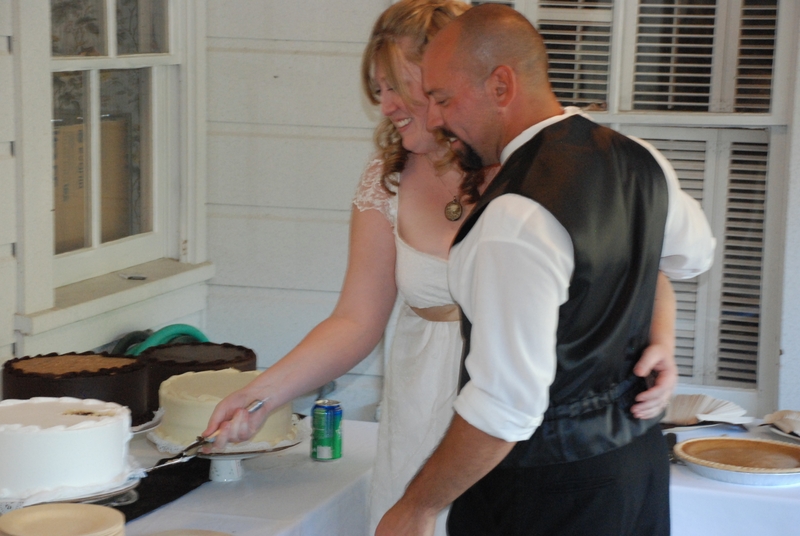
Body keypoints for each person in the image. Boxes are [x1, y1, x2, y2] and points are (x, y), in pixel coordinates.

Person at [204, 2, 679, 535]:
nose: (386, 106)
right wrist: (260, 393)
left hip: (528, 430)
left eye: (400, 88)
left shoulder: (544, 169)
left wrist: (660, 338)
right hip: (420, 414)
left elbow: (648, 258)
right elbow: (355, 321)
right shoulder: (386, 181)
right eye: (376, 90)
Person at [376, 4, 716, 536]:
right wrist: (659, 335)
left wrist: (416, 507)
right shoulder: (640, 159)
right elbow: (687, 256)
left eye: (442, 98)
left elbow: (504, 408)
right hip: (635, 468)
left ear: (501, 86)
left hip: (545, 493)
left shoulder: (513, 216)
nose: (437, 118)